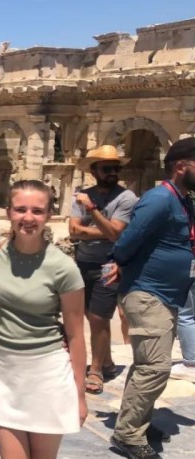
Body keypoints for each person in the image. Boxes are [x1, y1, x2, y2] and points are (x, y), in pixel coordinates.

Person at [0, 180, 86, 459]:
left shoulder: (63, 267)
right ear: (9, 212)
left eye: (37, 210)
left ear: (49, 215)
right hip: (4, 369)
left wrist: (80, 394)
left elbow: (75, 335)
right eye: (21, 209)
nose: (28, 217)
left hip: (47, 371)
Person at [109, 137, 195, 459]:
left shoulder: (184, 199)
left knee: (147, 364)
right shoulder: (159, 199)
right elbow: (126, 244)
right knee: (156, 367)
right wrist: (123, 266)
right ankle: (128, 434)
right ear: (181, 167)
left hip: (165, 295)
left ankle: (137, 421)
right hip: (148, 293)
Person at [68, 145, 137, 395]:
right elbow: (73, 231)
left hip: (110, 263)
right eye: (107, 168)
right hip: (84, 263)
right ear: (94, 170)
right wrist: (105, 230)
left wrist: (92, 211)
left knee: (99, 317)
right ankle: (107, 363)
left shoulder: (126, 198)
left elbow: (116, 233)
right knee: (89, 316)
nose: (112, 172)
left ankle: (95, 370)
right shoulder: (81, 194)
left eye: (116, 168)